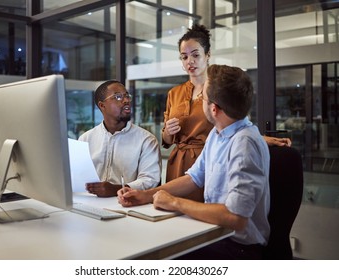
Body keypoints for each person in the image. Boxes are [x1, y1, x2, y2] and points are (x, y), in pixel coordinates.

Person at [118, 64, 270, 260]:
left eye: (203, 99)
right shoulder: (218, 134)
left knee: (157, 256)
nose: (200, 100)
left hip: (238, 249)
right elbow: (194, 178)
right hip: (216, 236)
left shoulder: (244, 144)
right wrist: (146, 195)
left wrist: (174, 202)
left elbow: (236, 218)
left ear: (213, 109)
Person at [162, 24, 291, 193]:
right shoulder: (174, 93)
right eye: (184, 57)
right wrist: (168, 133)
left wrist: (260, 139)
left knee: (205, 210)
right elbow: (166, 140)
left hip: (209, 159)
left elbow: (235, 125)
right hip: (178, 164)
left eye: (195, 55)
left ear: (208, 55)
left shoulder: (218, 89)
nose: (190, 61)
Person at [79, 80, 161, 197]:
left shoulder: (146, 140)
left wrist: (117, 189)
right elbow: (77, 176)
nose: (126, 100)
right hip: (88, 202)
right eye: (118, 97)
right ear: (102, 105)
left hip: (127, 204)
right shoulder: (85, 139)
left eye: (127, 96)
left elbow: (150, 180)